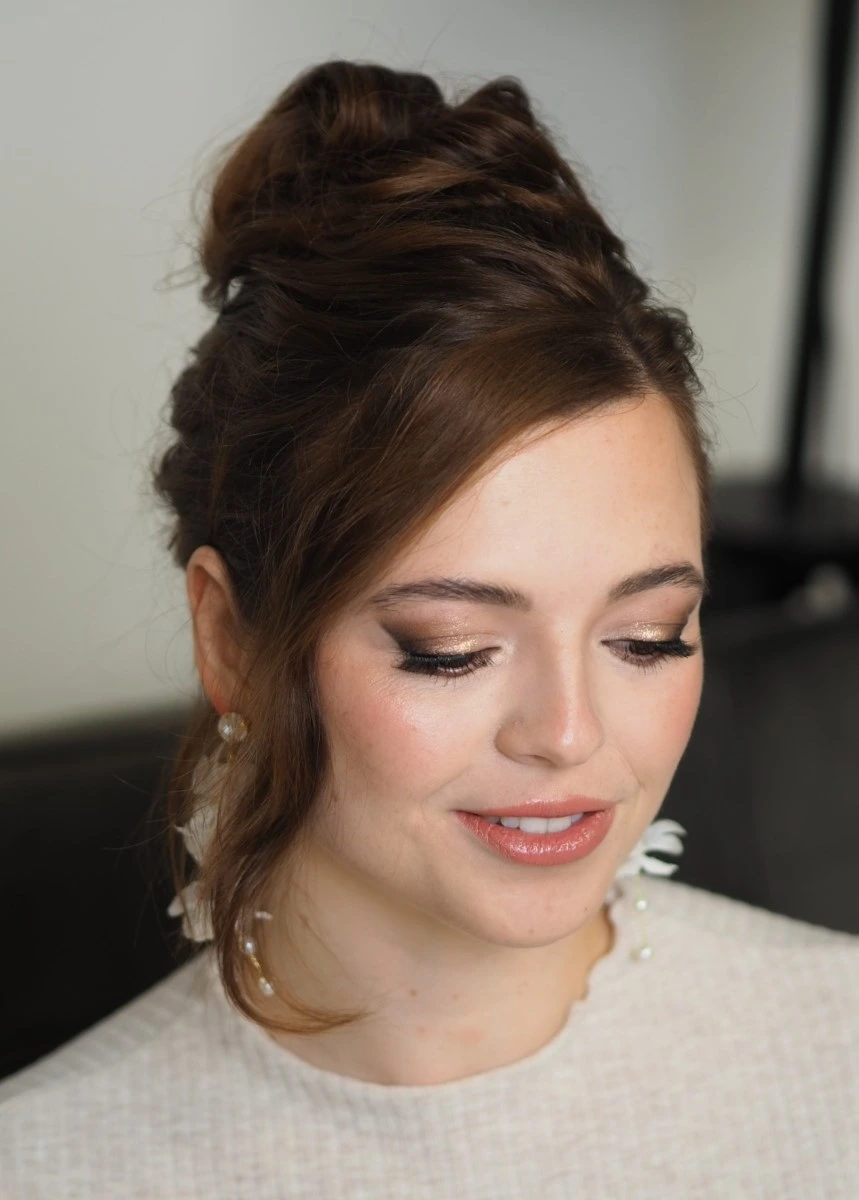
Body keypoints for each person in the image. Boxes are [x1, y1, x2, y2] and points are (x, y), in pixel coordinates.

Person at [1, 58, 856, 1200]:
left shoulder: (834, 1056)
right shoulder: (46, 1163)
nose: (567, 733)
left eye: (648, 635)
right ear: (231, 639)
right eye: (451, 648)